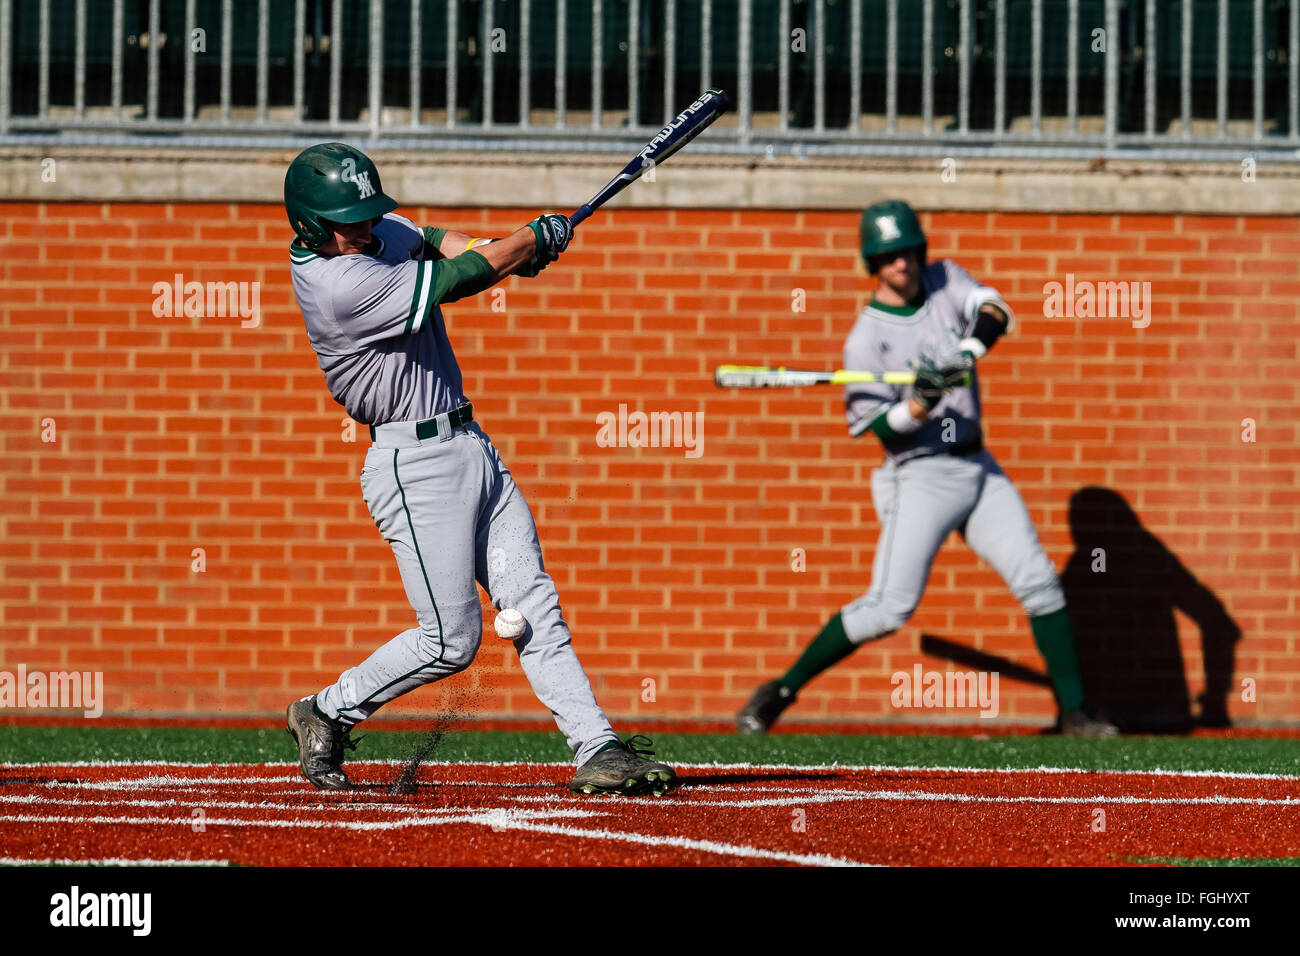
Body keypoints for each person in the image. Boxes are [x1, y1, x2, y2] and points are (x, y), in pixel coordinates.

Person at [282, 142, 675, 795]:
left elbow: (439, 242)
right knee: (449, 642)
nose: (365, 227)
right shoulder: (337, 285)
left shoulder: (372, 233)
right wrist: (523, 242)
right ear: (312, 226)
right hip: (413, 464)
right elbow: (455, 279)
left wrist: (514, 249)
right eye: (349, 221)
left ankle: (597, 747)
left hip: (469, 442)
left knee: (534, 599)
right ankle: (325, 711)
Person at [736, 199, 1117, 737]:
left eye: (908, 251)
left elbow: (995, 309)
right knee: (889, 608)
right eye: (889, 255)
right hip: (919, 475)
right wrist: (919, 402)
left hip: (977, 466)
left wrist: (967, 350)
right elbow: (881, 430)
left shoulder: (944, 281)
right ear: (874, 262)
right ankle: (780, 690)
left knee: (1039, 579)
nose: (902, 263)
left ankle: (1075, 713)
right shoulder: (865, 339)